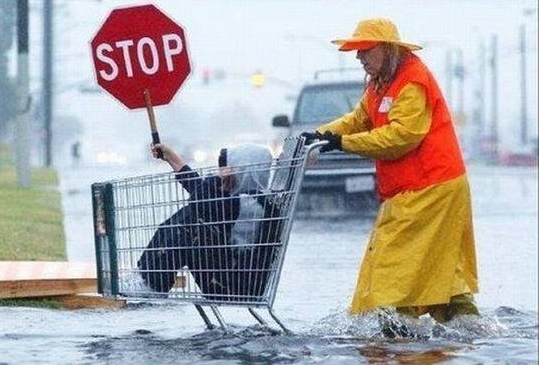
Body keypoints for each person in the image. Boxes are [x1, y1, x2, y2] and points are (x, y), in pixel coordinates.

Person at [301, 18, 479, 327]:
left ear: (386, 49)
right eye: (357, 51)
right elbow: (359, 118)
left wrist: (342, 143)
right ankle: (464, 324)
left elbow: (401, 138)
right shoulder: (382, 82)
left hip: (432, 188)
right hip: (418, 188)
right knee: (442, 265)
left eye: (365, 50)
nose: (359, 58)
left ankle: (396, 332)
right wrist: (320, 133)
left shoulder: (412, 82)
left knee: (393, 265)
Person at [137, 142, 283, 301]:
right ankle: (147, 279)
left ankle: (150, 283)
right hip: (228, 275)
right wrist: (172, 158)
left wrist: (217, 179)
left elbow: (201, 200)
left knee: (190, 224)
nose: (221, 171)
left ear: (244, 171)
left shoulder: (250, 204)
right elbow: (201, 192)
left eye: (227, 168)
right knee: (194, 218)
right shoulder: (247, 200)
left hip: (234, 285)